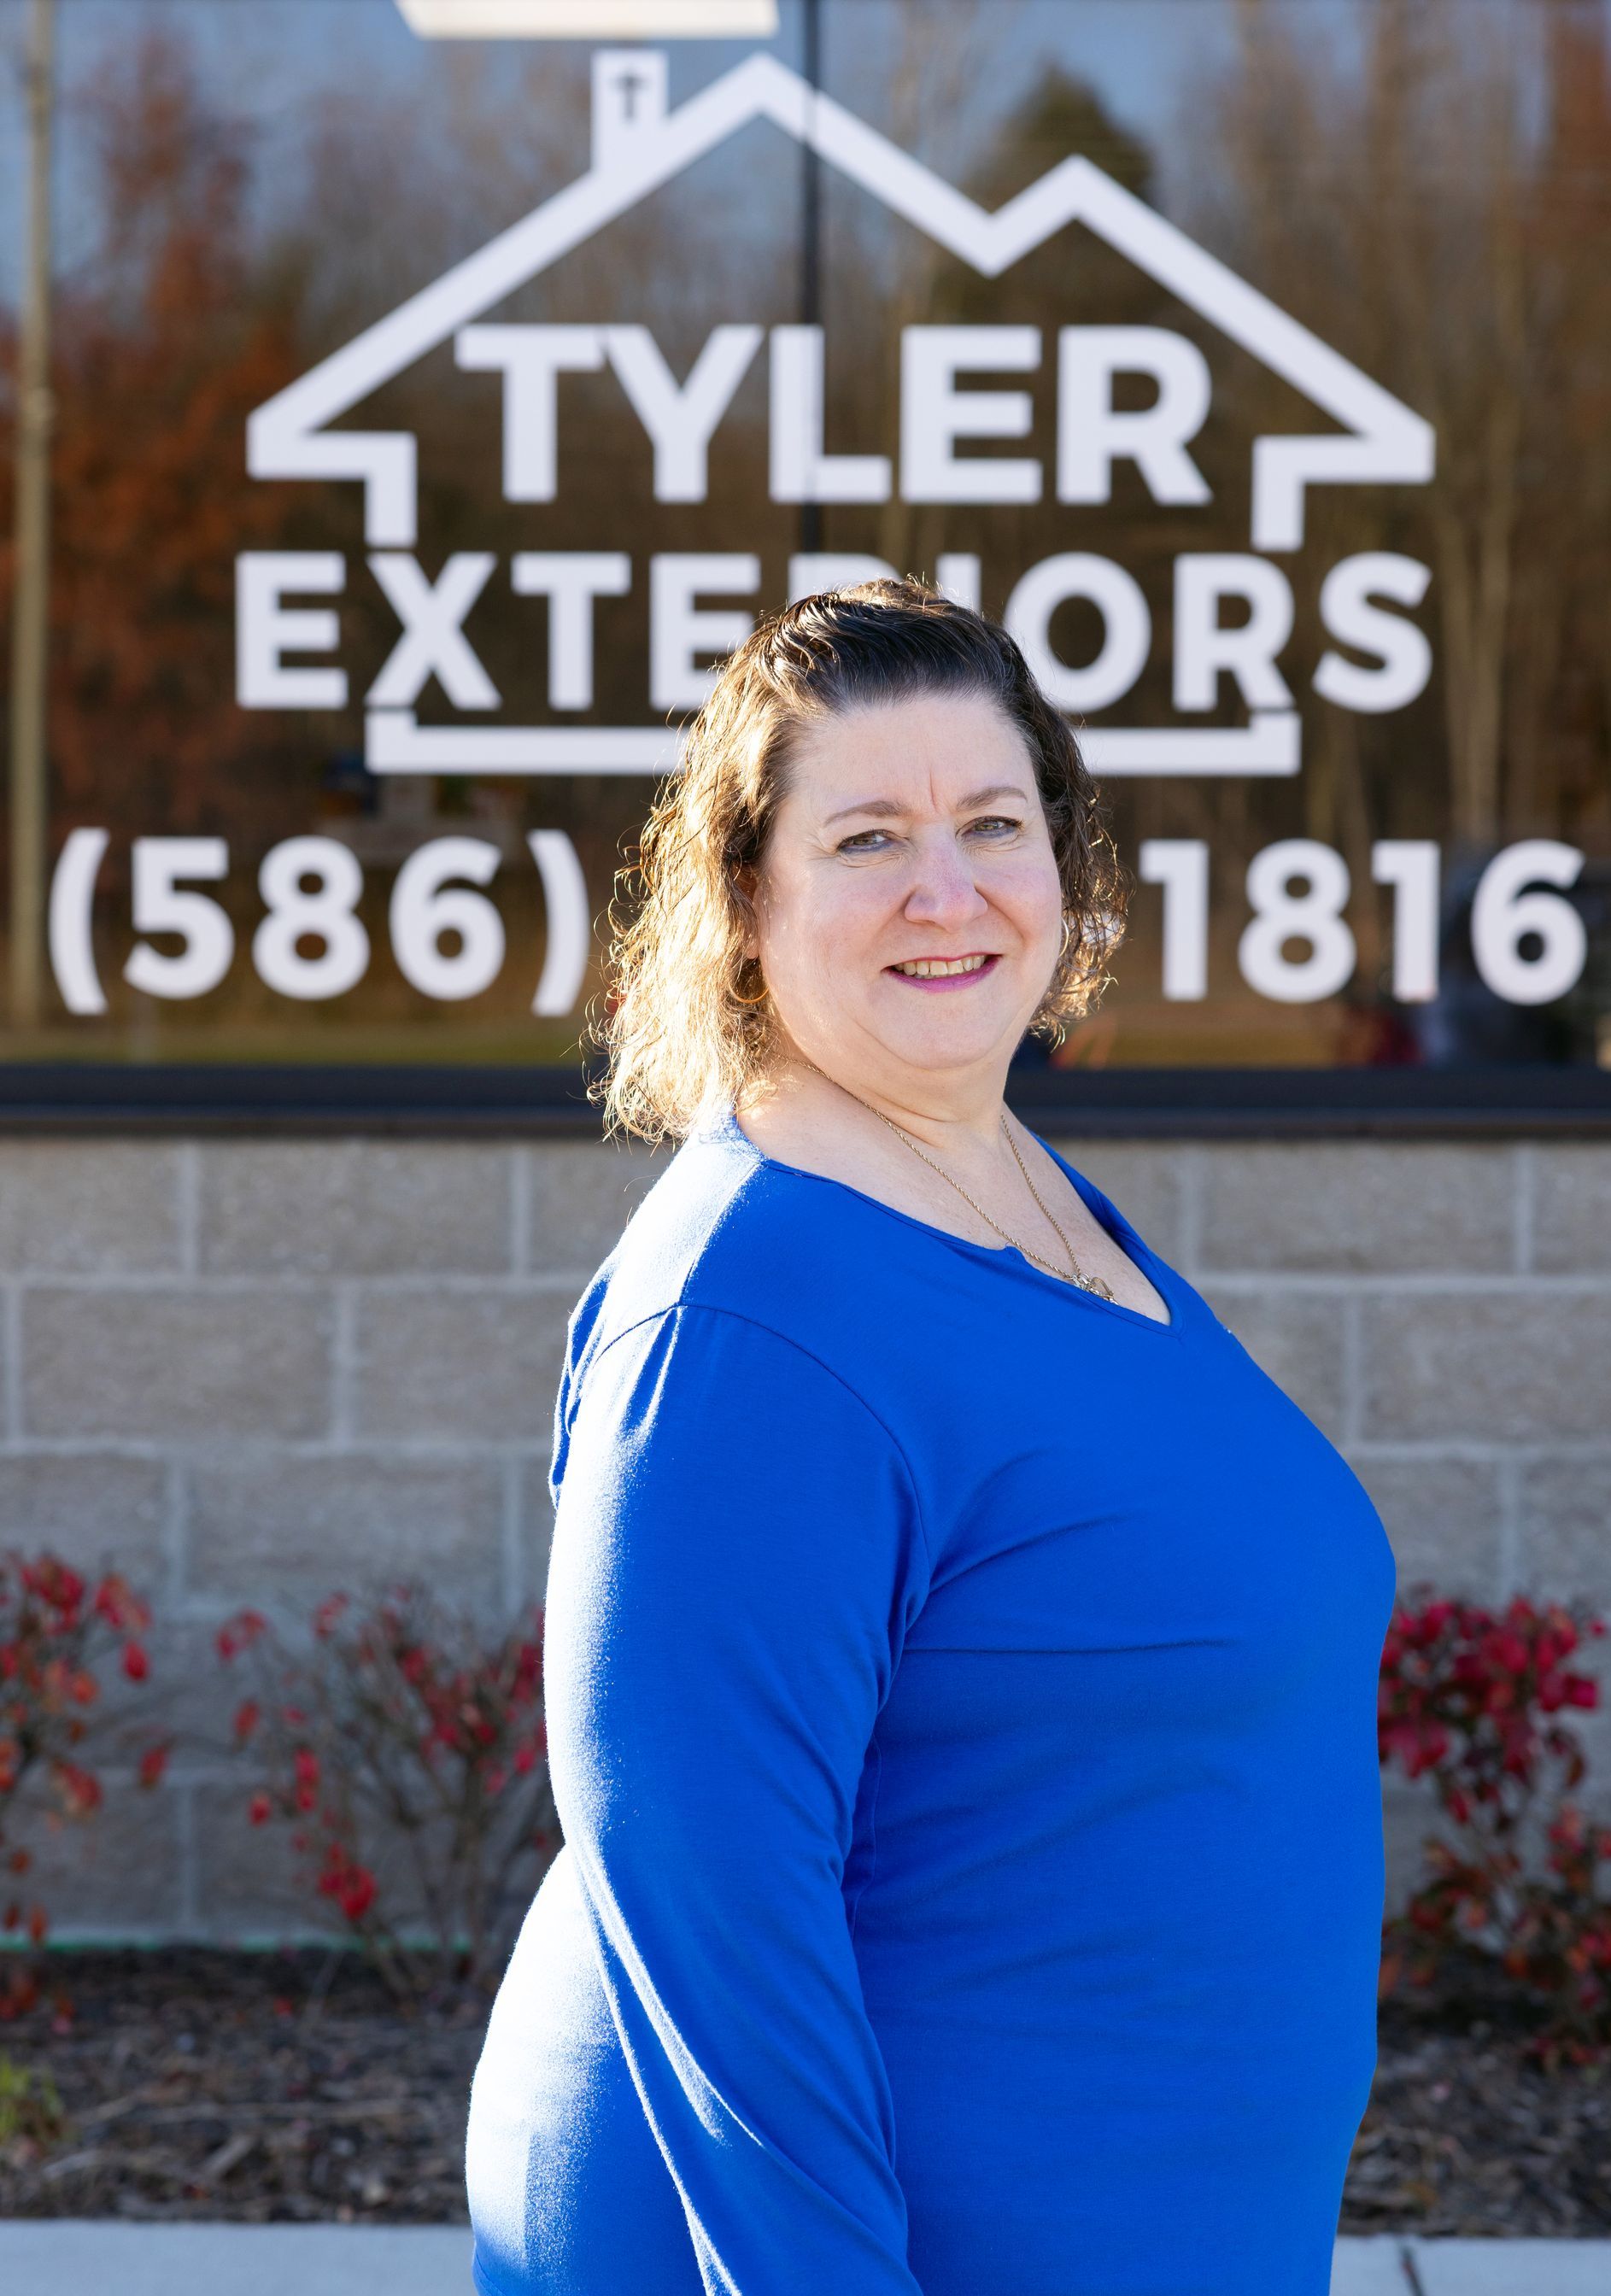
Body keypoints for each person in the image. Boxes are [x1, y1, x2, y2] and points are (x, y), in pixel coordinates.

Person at [465, 579, 1396, 2296]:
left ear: (1063, 865)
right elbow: (710, 1905)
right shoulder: (744, 1316)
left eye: (991, 823)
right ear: (746, 897)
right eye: (869, 837)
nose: (947, 892)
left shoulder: (1019, 1190)